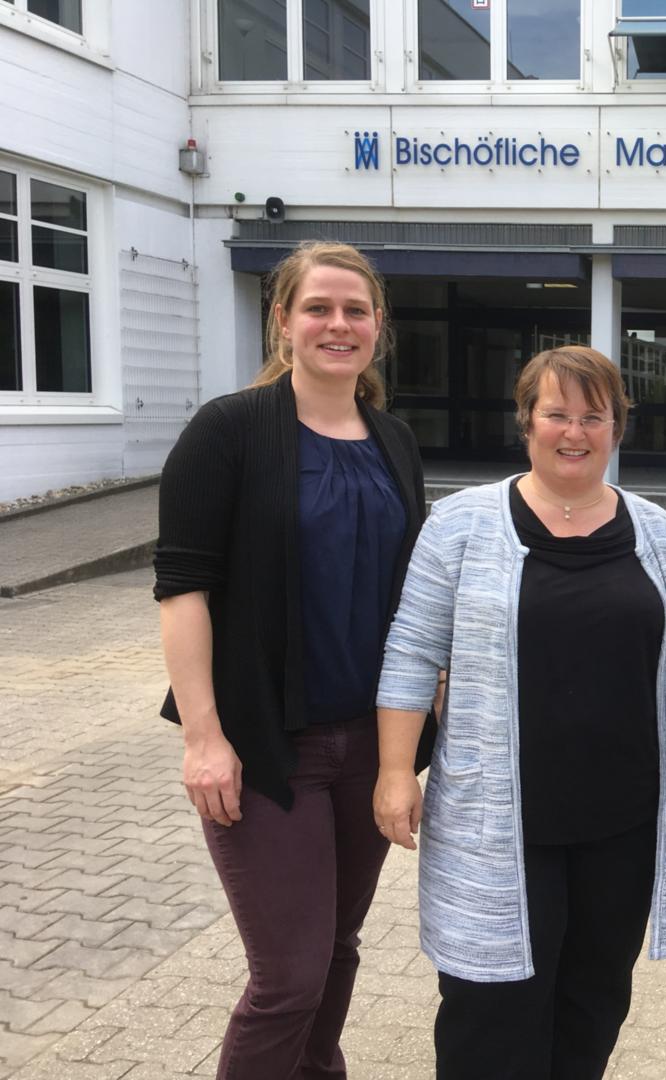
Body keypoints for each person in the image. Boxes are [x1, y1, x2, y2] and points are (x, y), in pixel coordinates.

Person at [371, 346, 666, 1080]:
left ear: (617, 427)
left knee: (593, 1003)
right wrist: (395, 770)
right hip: (498, 823)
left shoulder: (656, 532)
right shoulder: (463, 525)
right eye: (557, 412)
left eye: (594, 415)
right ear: (526, 422)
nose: (575, 431)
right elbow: (411, 651)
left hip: (622, 823)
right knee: (489, 1015)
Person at [154, 241, 430, 1078]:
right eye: (318, 308)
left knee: (338, 950)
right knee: (288, 977)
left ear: (378, 327)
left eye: (355, 310)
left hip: (370, 748)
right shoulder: (230, 429)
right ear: (283, 321)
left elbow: (416, 600)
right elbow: (182, 589)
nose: (337, 325)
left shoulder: (393, 440)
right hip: (268, 747)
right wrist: (204, 738)